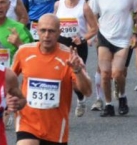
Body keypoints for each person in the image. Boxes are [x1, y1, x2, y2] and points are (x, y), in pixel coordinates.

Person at [12, 14, 93, 145]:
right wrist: (9, 99)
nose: (46, 35)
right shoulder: (24, 52)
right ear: (37, 31)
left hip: (55, 127)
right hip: (27, 122)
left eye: (51, 31)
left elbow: (87, 91)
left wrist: (78, 71)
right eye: (43, 30)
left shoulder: (70, 56)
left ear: (59, 33)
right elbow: (8, 79)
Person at [89, 0, 137, 117]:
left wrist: (135, 33)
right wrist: (93, 31)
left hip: (123, 38)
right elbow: (92, 14)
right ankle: (108, 104)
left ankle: (122, 97)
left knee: (117, 73)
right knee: (105, 73)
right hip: (104, 37)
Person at [53, 0, 98, 117]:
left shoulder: (84, 6)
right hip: (61, 43)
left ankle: (80, 98)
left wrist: (83, 38)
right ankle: (56, 105)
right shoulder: (58, 4)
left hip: (77, 45)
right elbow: (54, 24)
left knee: (74, 78)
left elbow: (95, 28)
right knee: (58, 75)